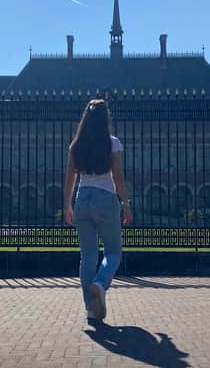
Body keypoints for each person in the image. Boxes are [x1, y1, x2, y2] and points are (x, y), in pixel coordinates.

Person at [63, 99, 133, 321]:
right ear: (106, 119)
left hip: (82, 198)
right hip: (105, 199)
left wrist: (67, 205)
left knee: (88, 257)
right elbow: (118, 176)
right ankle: (100, 284)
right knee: (113, 253)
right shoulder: (112, 143)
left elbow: (69, 178)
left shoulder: (76, 145)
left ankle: (91, 309)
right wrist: (126, 203)